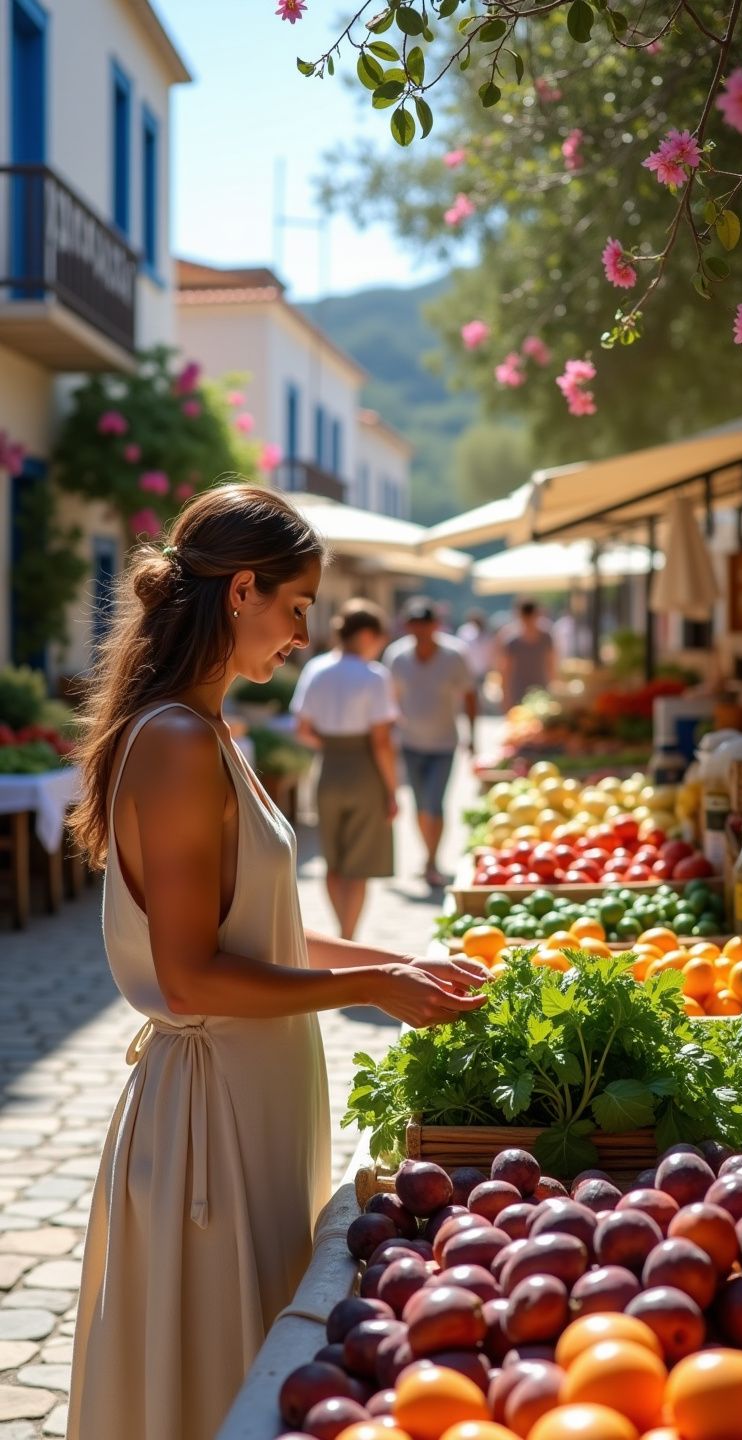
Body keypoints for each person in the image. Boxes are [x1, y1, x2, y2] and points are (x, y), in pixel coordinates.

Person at [65, 484, 488, 1440]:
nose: (303, 634)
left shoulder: (207, 730)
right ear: (241, 590)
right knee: (223, 1380)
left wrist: (407, 959)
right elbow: (189, 977)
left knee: (255, 1360)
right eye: (296, 607)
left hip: (251, 1099)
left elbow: (267, 933)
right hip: (210, 1121)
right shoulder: (178, 741)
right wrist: (371, 986)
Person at [291, 598, 399, 941]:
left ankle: (341, 935)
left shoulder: (316, 669)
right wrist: (392, 790)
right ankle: (349, 935)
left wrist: (329, 744)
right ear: (367, 635)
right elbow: (381, 741)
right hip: (364, 770)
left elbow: (302, 730)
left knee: (333, 860)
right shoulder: (374, 675)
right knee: (359, 864)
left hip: (328, 769)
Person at [384, 596, 478, 889]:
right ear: (407, 626)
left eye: (426, 624)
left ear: (436, 625)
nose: (421, 630)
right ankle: (427, 854)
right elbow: (389, 699)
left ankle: (432, 860)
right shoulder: (397, 656)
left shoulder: (454, 655)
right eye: (415, 624)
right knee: (420, 804)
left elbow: (469, 694)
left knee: (435, 803)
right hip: (410, 744)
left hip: (443, 744)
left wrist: (472, 735)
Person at [499, 596, 556, 711]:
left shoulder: (546, 639)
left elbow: (551, 665)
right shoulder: (512, 643)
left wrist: (554, 688)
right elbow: (506, 671)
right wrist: (506, 697)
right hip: (518, 693)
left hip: (541, 692)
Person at [456, 608, 497, 693]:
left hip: (484, 671)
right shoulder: (465, 632)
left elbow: (492, 652)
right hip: (468, 671)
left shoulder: (488, 634)